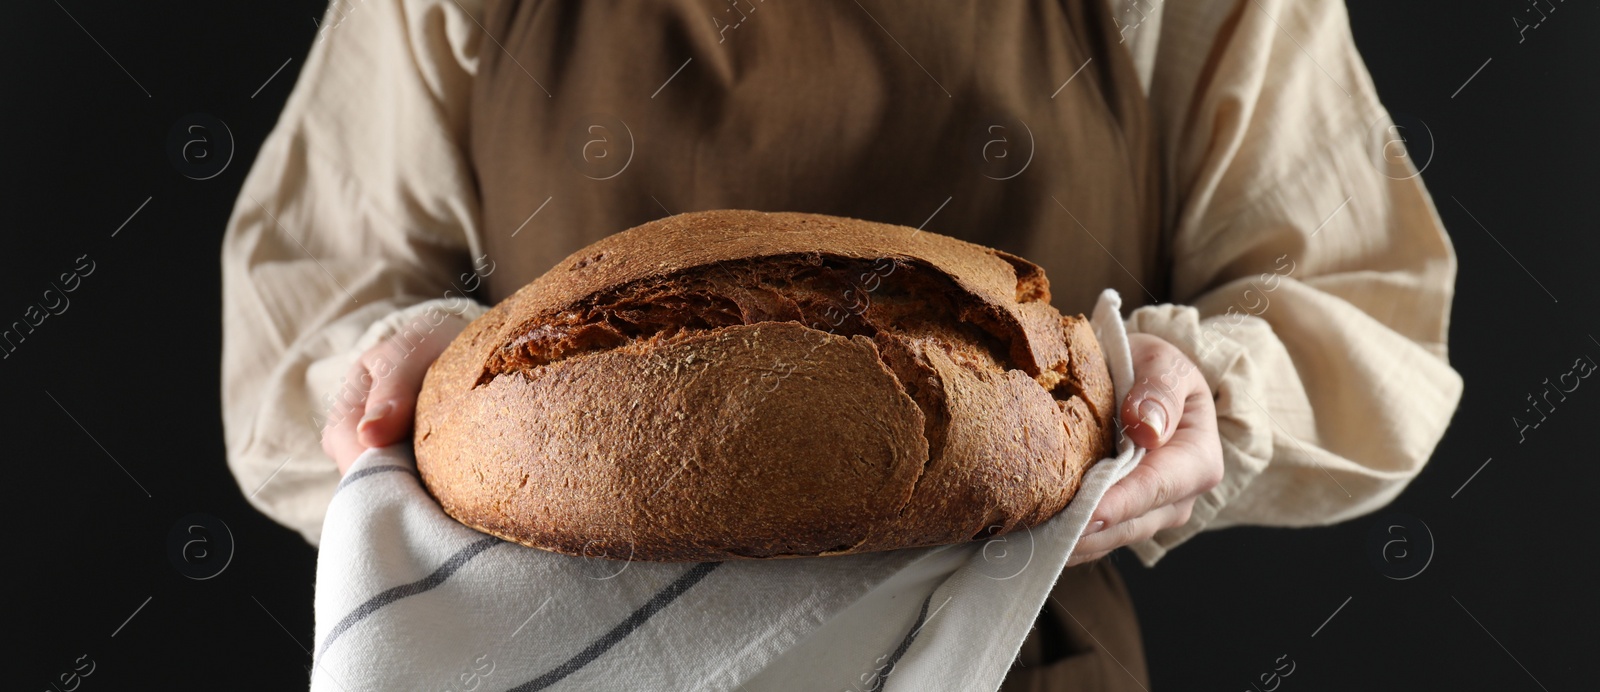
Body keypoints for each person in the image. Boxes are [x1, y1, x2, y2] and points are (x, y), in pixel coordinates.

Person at [220, 0, 1463, 688]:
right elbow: (300, 316)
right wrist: (414, 371)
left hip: (1016, 666)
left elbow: (1360, 302)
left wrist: (1204, 392)